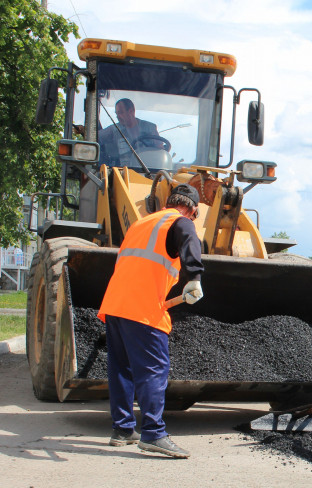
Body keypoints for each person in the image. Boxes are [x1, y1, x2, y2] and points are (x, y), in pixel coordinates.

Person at [98, 183, 204, 458]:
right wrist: (194, 277)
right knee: (154, 370)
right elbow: (190, 241)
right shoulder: (180, 222)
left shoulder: (140, 224)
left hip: (115, 305)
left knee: (121, 368)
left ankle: (123, 429)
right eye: (194, 215)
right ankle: (153, 433)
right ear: (192, 210)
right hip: (144, 309)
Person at [98, 98, 162, 167]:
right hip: (124, 171)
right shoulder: (114, 130)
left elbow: (160, 151)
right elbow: (95, 137)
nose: (118, 117)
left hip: (148, 170)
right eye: (117, 113)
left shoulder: (150, 128)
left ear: (131, 111)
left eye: (121, 113)